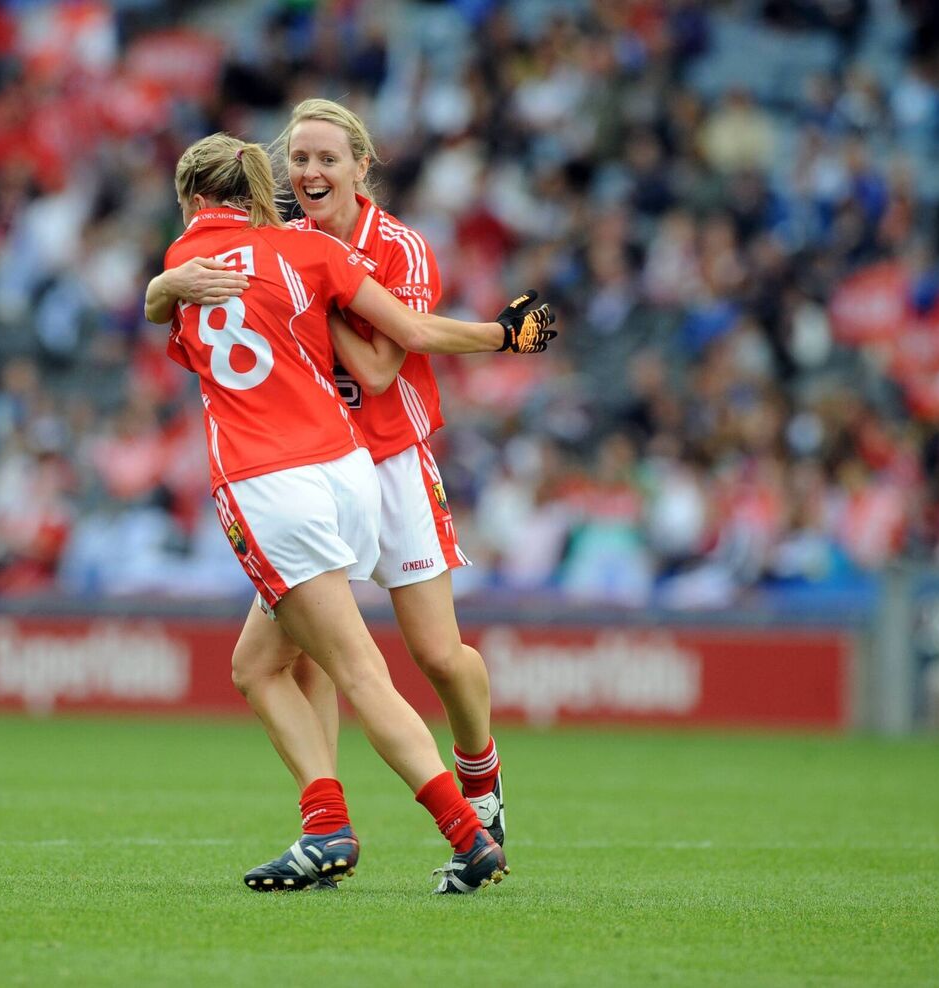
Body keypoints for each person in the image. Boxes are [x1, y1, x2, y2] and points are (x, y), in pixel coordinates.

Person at [145, 133, 552, 893]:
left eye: (327, 158)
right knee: (264, 662)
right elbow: (401, 331)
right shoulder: (309, 253)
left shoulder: (185, 264)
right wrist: (506, 333)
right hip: (348, 469)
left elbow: (177, 317)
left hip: (279, 479)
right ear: (266, 184)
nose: (310, 172)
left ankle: (463, 832)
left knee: (368, 668)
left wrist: (162, 291)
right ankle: (326, 825)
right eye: (297, 160)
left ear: (191, 200)